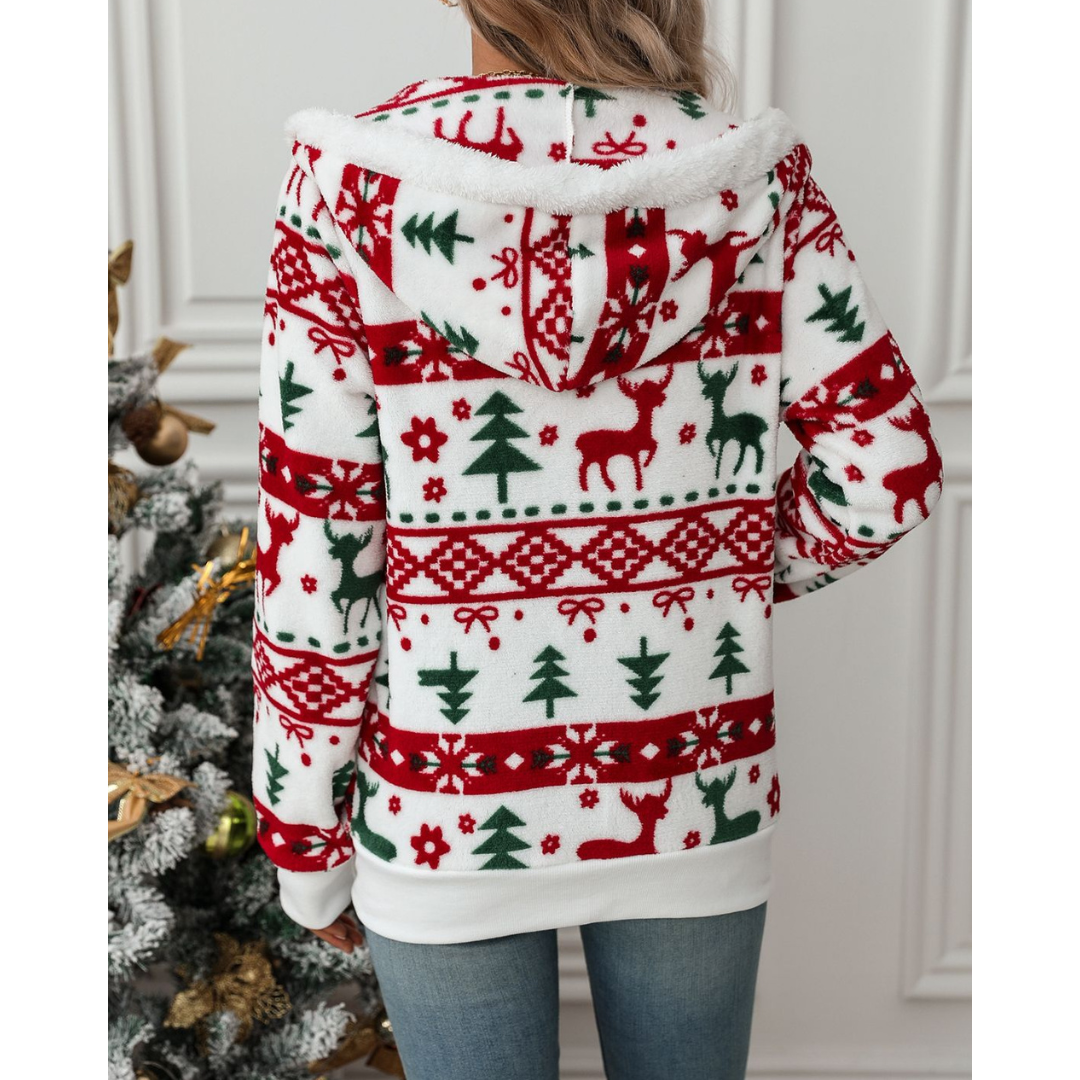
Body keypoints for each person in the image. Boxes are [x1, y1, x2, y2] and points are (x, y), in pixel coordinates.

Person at [250, 2, 944, 1077]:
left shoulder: (349, 185)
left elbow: (318, 551)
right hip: (692, 790)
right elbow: (885, 473)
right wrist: (713, 575)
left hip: (443, 806)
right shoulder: (751, 179)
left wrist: (303, 834)